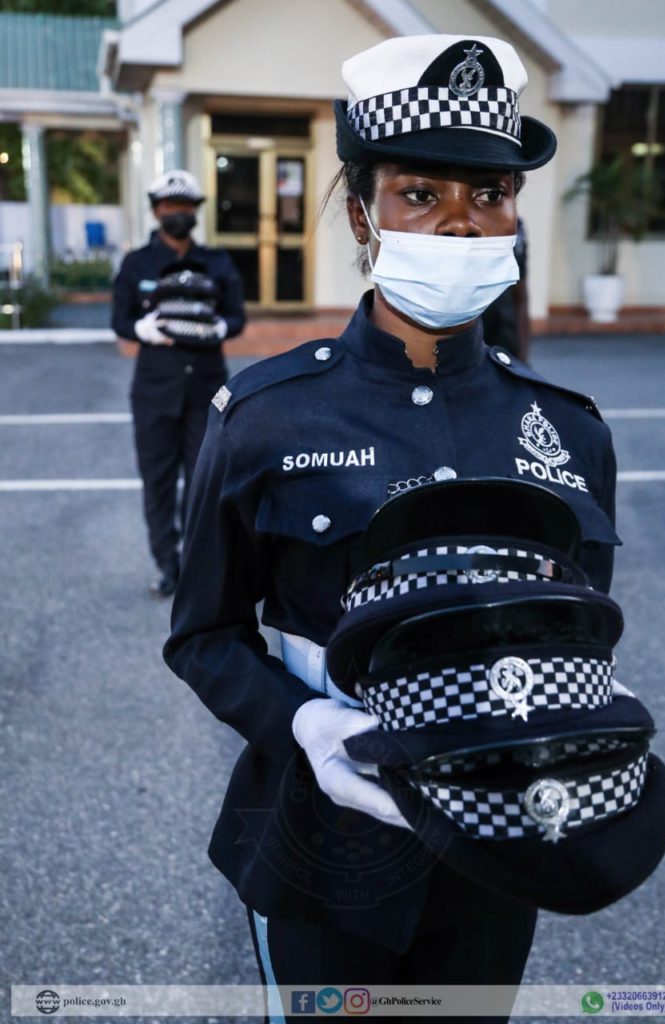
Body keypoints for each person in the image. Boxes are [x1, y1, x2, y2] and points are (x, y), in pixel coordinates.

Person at [164, 35, 620, 1024]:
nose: (460, 224)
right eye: (421, 194)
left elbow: (585, 627)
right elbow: (202, 633)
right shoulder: (267, 415)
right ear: (361, 212)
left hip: (494, 852)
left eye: (489, 195)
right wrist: (304, 723)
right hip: (322, 845)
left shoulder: (568, 428)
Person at [111, 169, 246, 596]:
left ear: (195, 212)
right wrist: (142, 329)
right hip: (155, 391)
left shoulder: (218, 262)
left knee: (204, 481)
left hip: (205, 389)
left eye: (186, 207)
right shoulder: (137, 264)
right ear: (156, 210)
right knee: (158, 481)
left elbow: (237, 316)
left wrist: (220, 328)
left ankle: (196, 565)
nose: (178, 214)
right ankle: (167, 565)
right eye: (170, 206)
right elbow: (119, 319)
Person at [481, 217, 530, 361]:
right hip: (470, 334)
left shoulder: (516, 227)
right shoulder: (462, 224)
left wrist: (523, 358)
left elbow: (521, 292)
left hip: (506, 332)